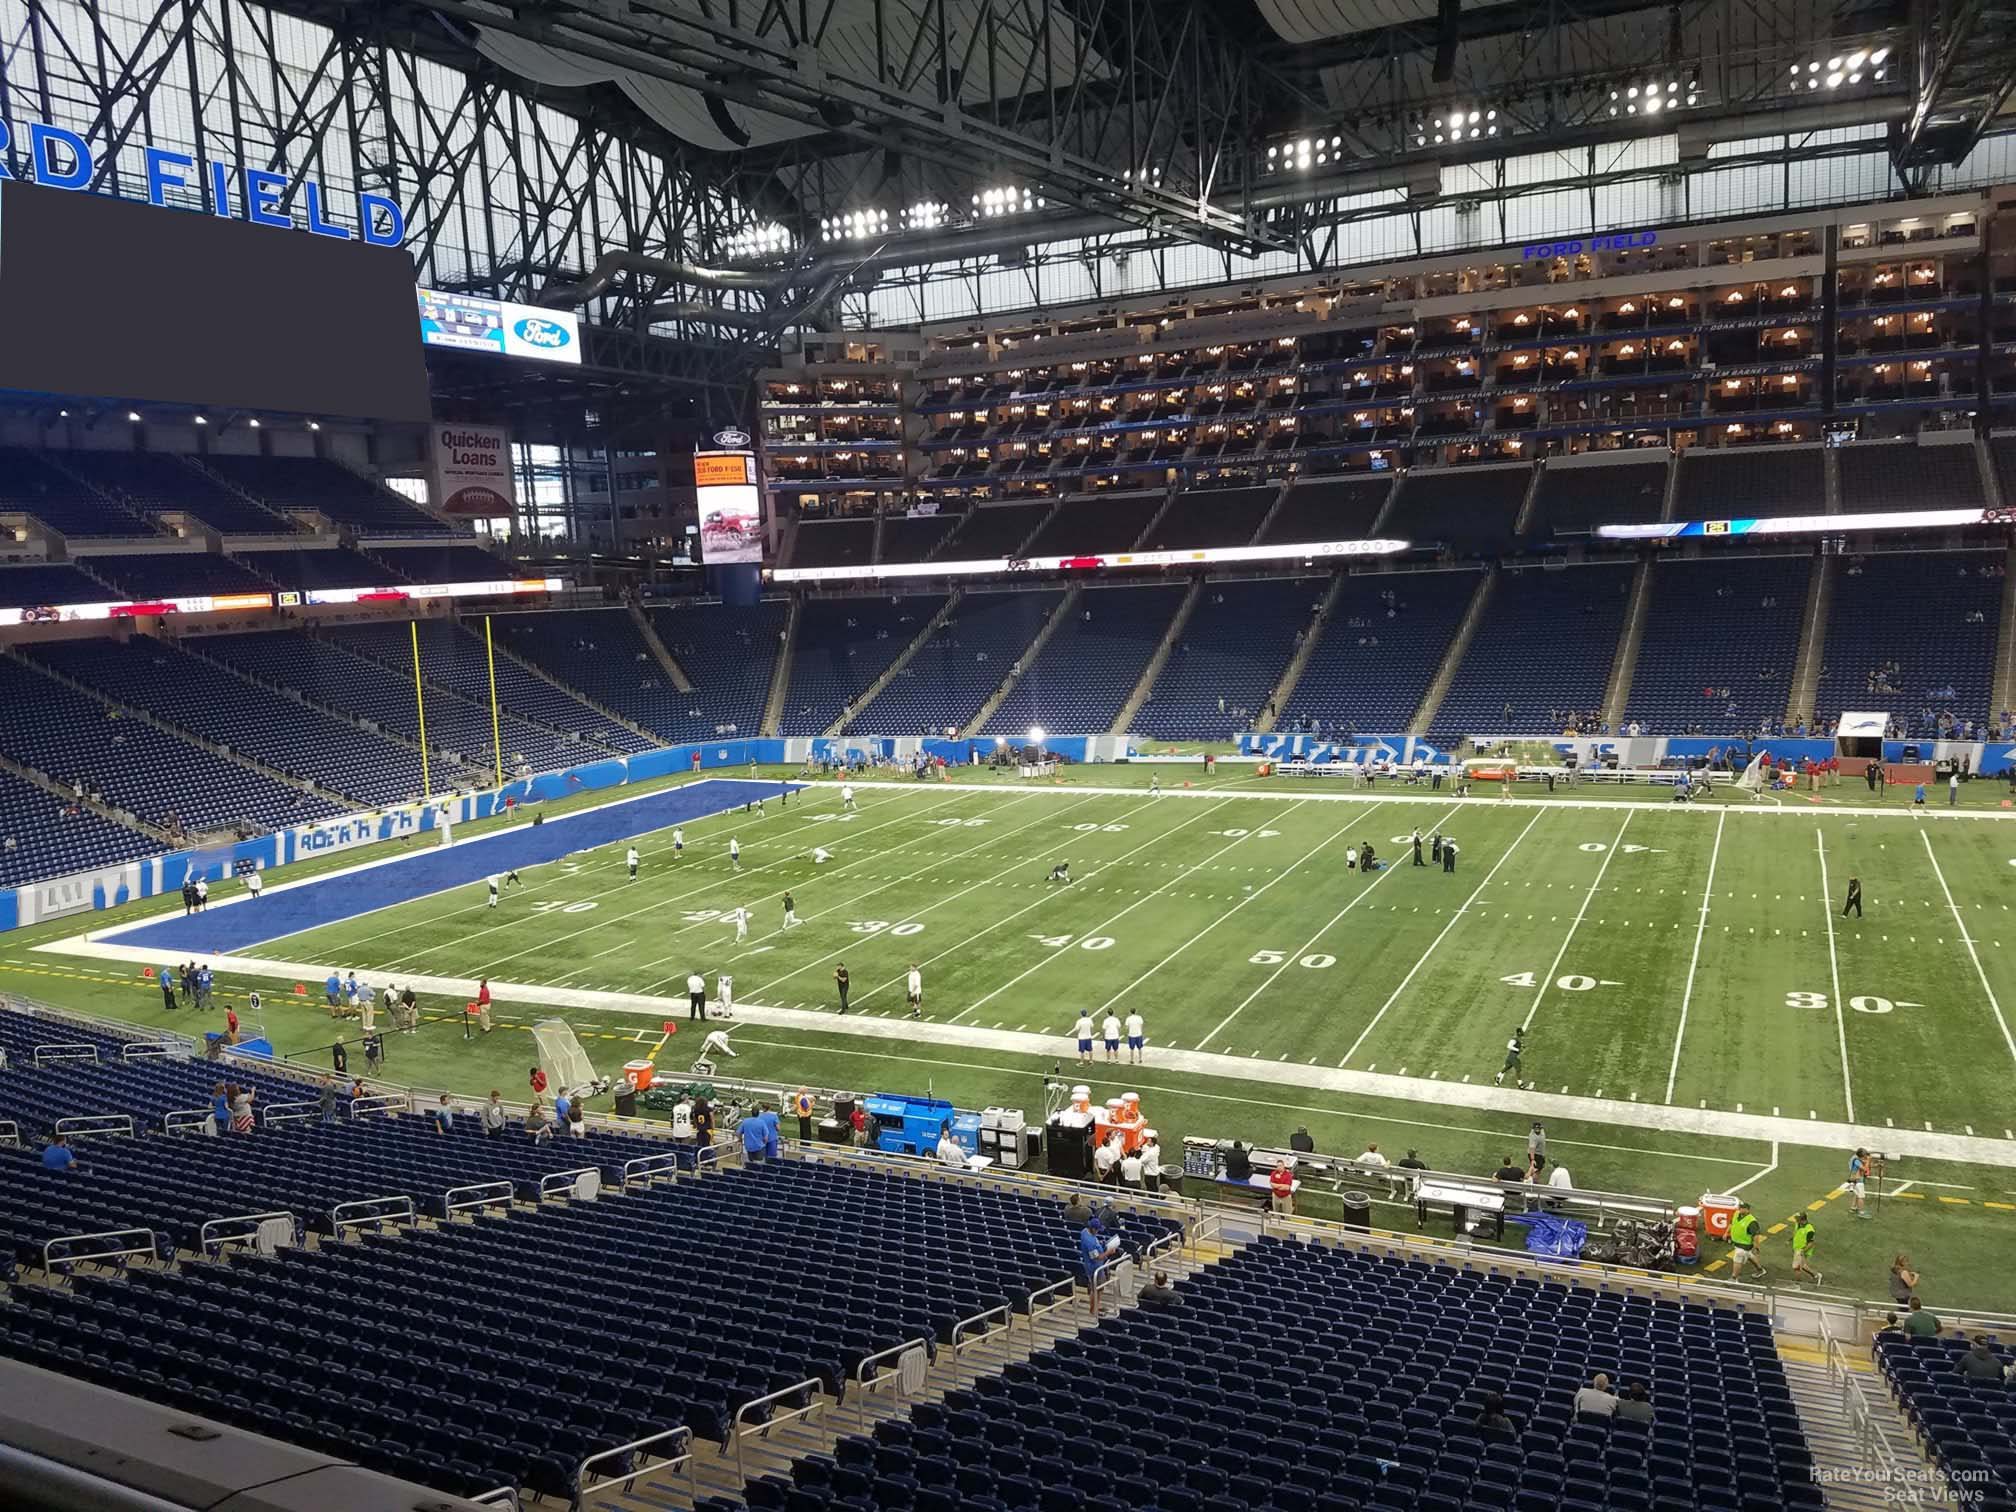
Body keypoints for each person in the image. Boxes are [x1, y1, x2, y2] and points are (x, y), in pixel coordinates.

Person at [1728, 1199, 1767, 1280]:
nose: (1740, 1209)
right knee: (1749, 1256)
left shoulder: (1752, 1221)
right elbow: (1732, 1223)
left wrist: (1756, 1246)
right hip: (1737, 1243)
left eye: (1743, 1208)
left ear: (1747, 1210)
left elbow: (1756, 1235)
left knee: (1737, 1258)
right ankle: (1760, 1270)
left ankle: (1734, 1278)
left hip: (1744, 1245)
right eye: (1740, 1207)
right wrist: (1726, 1233)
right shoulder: (1736, 1214)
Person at [1849, 1149, 1871, 1219]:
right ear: (1861, 1156)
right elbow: (1865, 1169)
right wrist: (1868, 1161)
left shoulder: (1856, 1159)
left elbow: (1864, 1164)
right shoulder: (1857, 1161)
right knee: (1861, 1197)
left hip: (1855, 1180)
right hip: (1858, 1181)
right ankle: (1861, 1212)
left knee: (1856, 1194)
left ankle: (1853, 1207)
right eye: (1864, 1156)